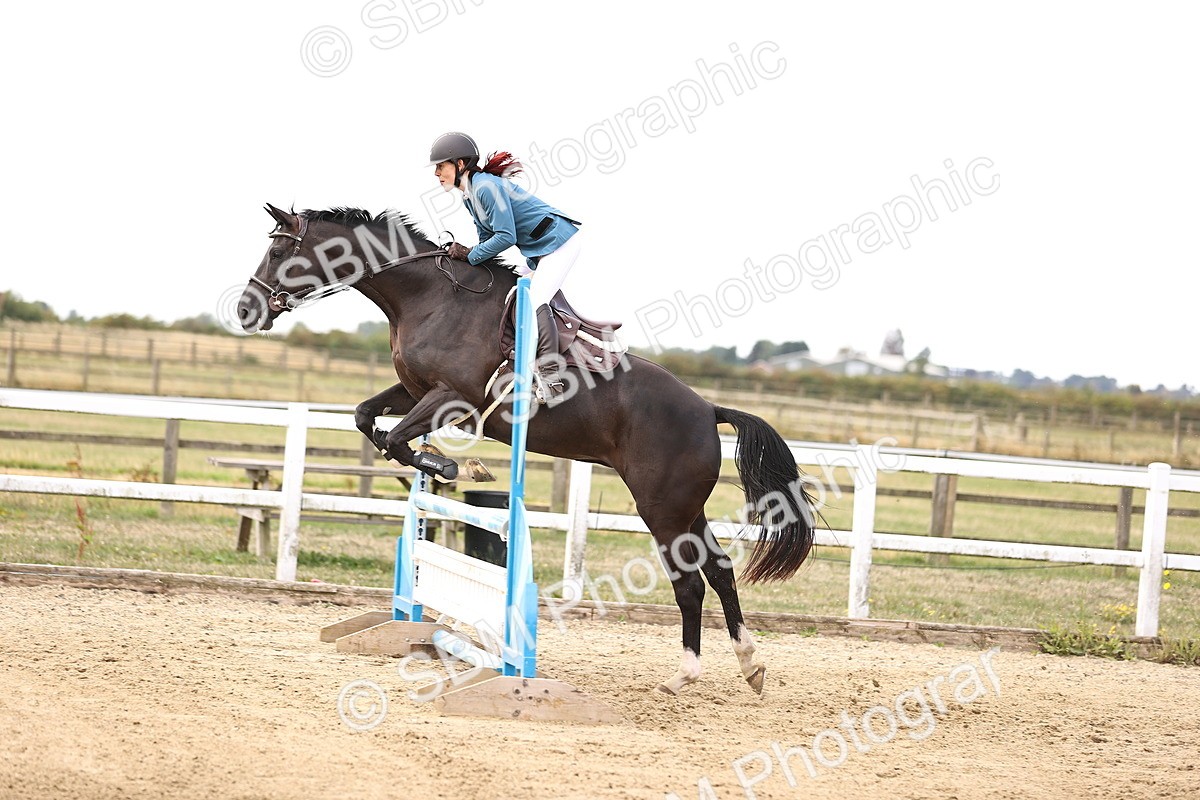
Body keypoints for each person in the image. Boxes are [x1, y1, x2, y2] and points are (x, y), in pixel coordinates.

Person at [429, 131, 581, 400]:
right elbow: (487, 239)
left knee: (534, 303)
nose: (437, 173)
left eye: (442, 166)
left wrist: (470, 255)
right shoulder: (470, 196)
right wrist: (468, 258)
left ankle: (550, 377)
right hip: (541, 251)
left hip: (559, 243)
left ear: (460, 164)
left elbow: (506, 236)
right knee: (510, 297)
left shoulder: (486, 188)